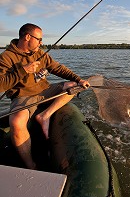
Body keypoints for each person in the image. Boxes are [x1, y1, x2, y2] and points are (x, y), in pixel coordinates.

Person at [0, 23, 90, 169]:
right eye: (39, 39)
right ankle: (30, 165)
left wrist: (79, 79)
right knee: (16, 122)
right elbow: (1, 85)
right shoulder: (6, 57)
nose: (41, 43)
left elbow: (57, 68)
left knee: (74, 86)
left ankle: (45, 115)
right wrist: (23, 71)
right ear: (28, 37)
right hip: (23, 97)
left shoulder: (40, 53)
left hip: (45, 90)